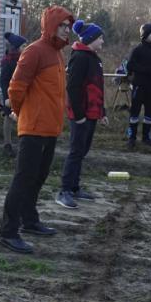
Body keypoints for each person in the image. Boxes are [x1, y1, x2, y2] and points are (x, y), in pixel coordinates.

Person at [0, 5, 74, 254]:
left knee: (38, 178)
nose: (66, 30)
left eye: (68, 26)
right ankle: (8, 232)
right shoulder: (34, 51)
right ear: (51, 26)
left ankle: (29, 220)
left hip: (50, 129)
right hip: (33, 129)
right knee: (23, 180)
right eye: (62, 25)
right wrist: (20, 113)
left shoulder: (57, 54)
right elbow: (16, 88)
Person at [56, 19, 108, 209]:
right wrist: (79, 116)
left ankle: (75, 187)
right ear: (91, 38)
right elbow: (73, 88)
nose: (102, 41)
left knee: (82, 151)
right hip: (81, 115)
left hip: (92, 113)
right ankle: (64, 191)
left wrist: (102, 112)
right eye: (100, 38)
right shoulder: (79, 57)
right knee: (76, 151)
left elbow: (98, 88)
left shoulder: (95, 59)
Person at [125, 23, 151, 147]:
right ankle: (132, 137)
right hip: (138, 86)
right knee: (135, 112)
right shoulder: (137, 49)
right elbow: (130, 65)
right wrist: (145, 70)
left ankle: (146, 137)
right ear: (144, 34)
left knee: (149, 113)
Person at [0, 32, 26, 158]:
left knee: (23, 118)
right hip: (10, 95)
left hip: (22, 94)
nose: (25, 47)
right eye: (23, 46)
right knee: (9, 118)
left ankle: (23, 145)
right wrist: (6, 98)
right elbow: (3, 81)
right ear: (16, 48)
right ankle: (7, 145)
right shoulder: (8, 61)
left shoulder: (23, 59)